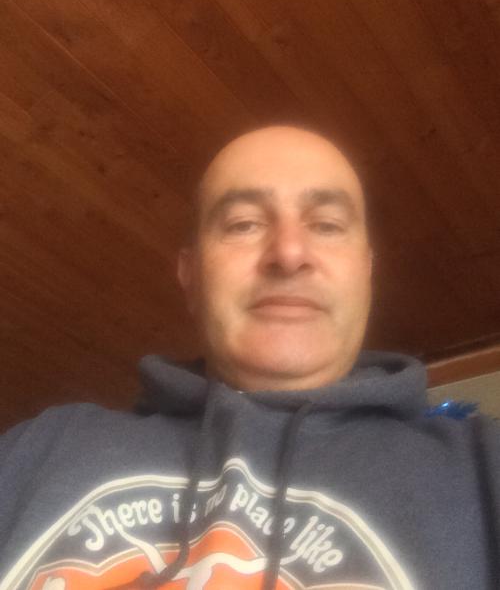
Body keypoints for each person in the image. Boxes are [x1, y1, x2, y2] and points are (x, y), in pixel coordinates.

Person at [0, 125, 498, 589]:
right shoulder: (40, 449)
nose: (289, 253)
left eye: (327, 225)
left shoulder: (483, 468)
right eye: (243, 224)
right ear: (191, 275)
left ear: (366, 271)